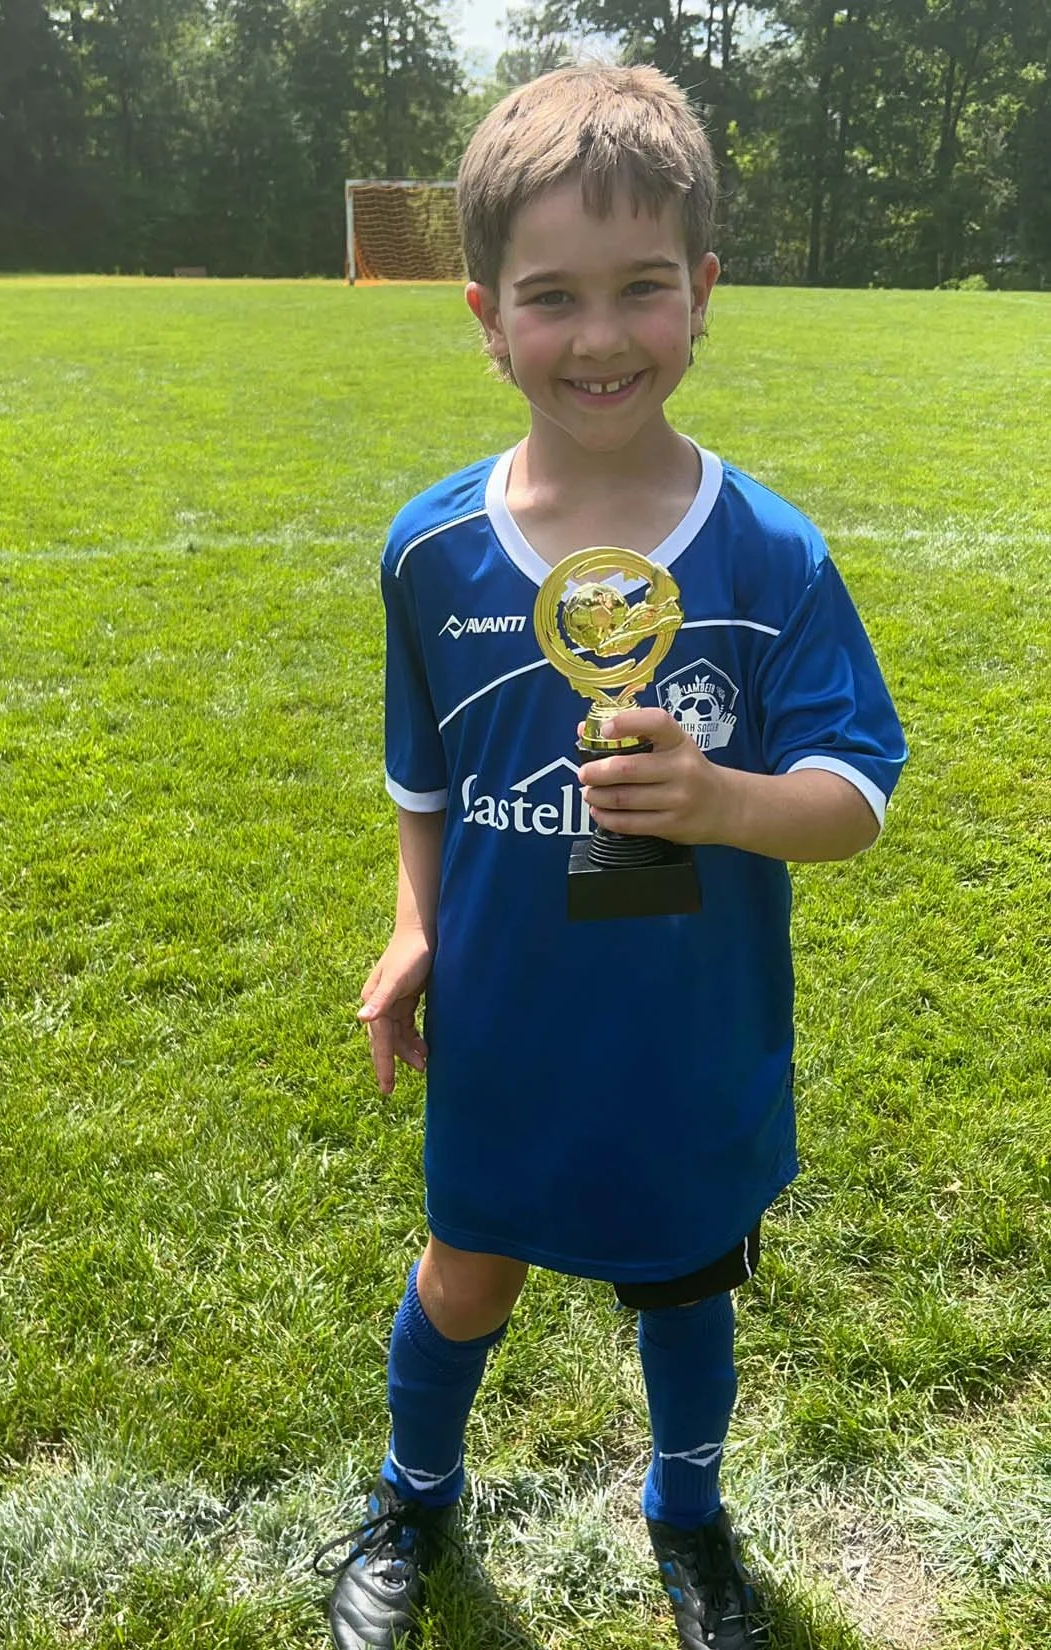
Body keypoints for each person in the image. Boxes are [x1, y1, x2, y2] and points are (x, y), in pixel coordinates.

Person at [312, 62, 907, 1650]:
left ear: (701, 293)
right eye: (551, 297)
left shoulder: (768, 553)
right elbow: (421, 777)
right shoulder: (430, 550)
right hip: (508, 1032)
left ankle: (688, 1516)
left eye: (641, 289)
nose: (597, 337)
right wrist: (411, 925)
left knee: (685, 1294)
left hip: (688, 1033)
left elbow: (856, 794)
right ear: (483, 315)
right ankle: (411, 1496)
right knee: (464, 1277)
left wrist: (719, 803)